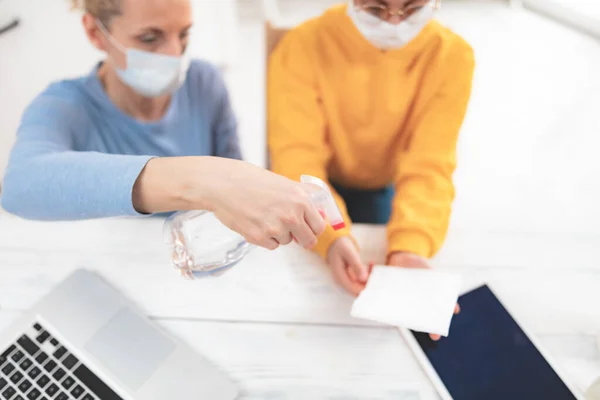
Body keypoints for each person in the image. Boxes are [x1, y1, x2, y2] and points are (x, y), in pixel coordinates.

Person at [0, 0, 326, 251]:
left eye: (184, 34)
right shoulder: (65, 105)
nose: (173, 54)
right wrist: (202, 181)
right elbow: (20, 185)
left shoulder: (205, 83)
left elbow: (237, 189)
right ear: (95, 33)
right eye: (150, 38)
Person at [268, 0, 474, 337]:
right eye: (376, 9)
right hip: (309, 186)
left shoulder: (453, 56)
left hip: (384, 186)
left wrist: (411, 247)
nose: (394, 23)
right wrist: (332, 238)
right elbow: (297, 158)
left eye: (412, 9)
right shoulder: (303, 45)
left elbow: (429, 165)